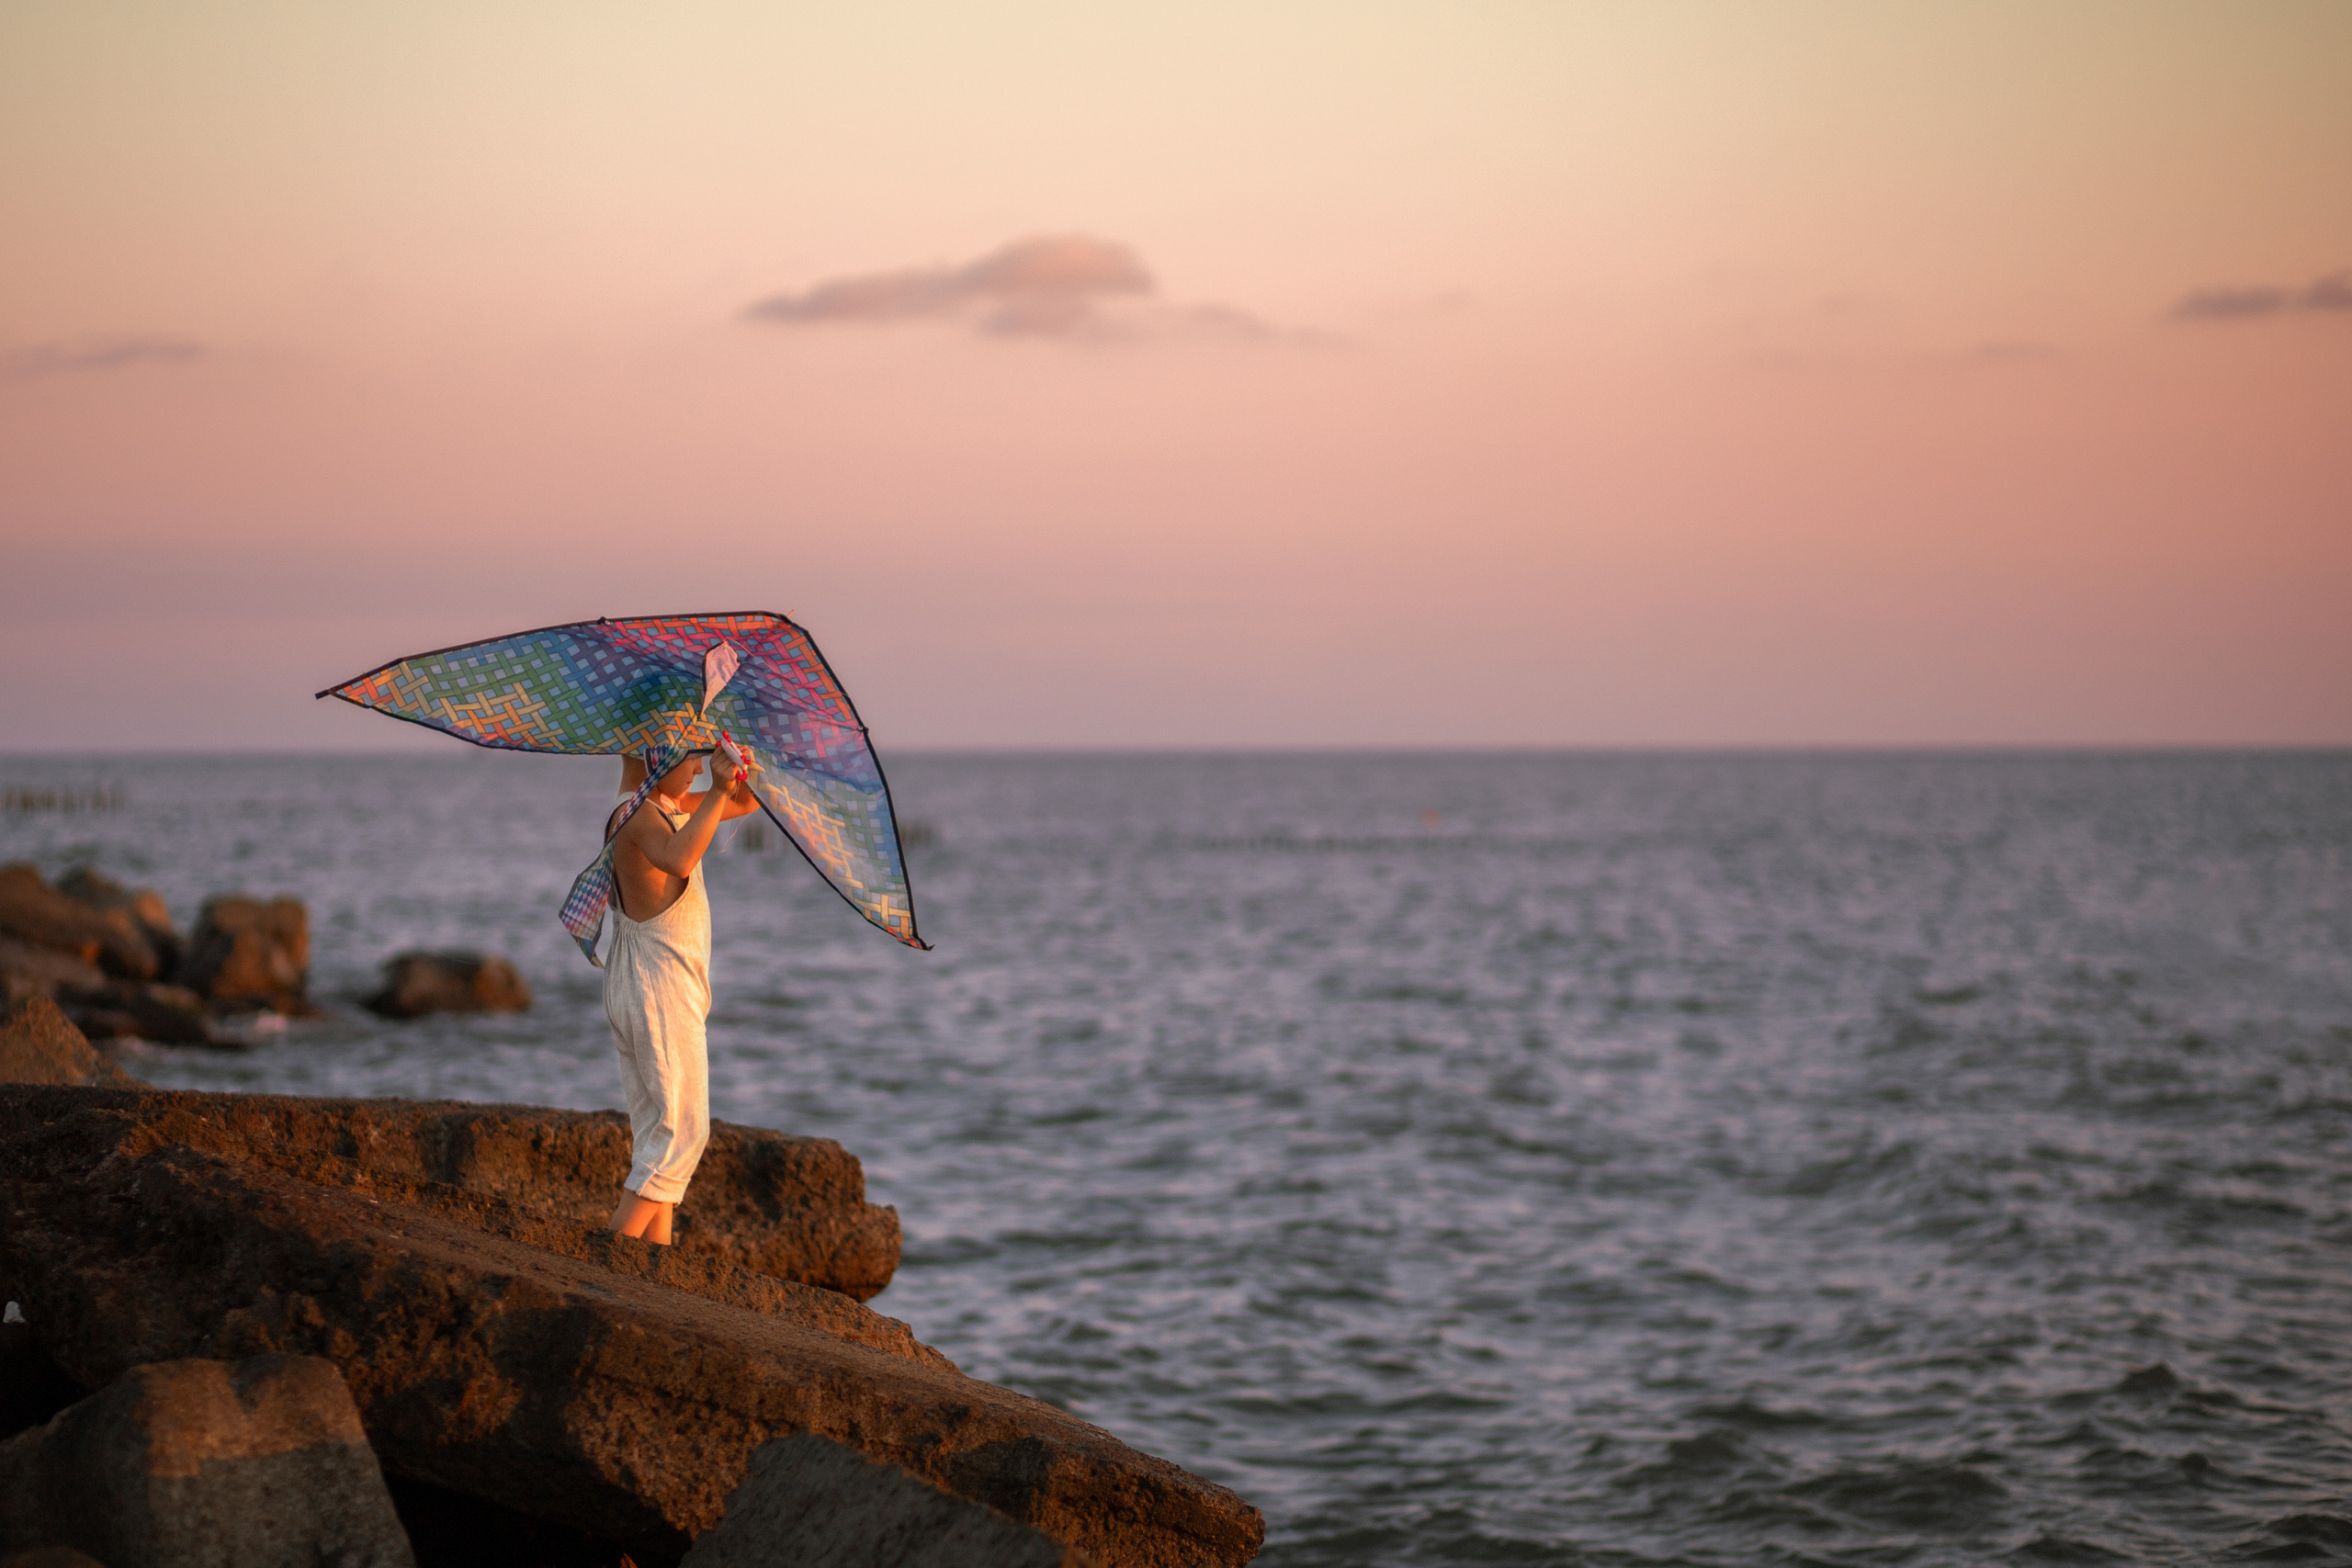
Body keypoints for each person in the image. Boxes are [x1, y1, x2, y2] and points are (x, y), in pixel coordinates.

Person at [603, 743, 762, 1244]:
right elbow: (678, 859)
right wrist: (715, 789)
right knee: (682, 1134)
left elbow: (746, 803)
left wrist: (738, 773)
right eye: (690, 756)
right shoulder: (634, 816)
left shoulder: (663, 807)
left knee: (658, 1133)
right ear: (653, 759)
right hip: (657, 987)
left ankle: (654, 1269)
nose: (697, 767)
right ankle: (606, 1263)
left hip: (652, 982)